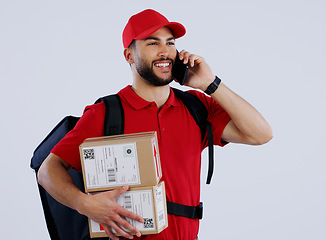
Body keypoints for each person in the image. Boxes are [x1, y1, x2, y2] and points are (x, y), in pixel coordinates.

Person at [37, 9, 272, 240]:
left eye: (170, 43)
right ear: (129, 55)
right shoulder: (106, 113)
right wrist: (85, 204)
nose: (165, 52)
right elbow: (48, 171)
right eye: (152, 43)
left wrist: (210, 83)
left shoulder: (196, 107)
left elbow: (261, 134)